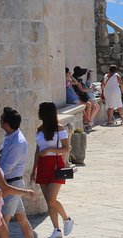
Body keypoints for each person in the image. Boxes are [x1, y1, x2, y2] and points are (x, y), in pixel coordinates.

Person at [32, 102, 73, 238]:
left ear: (46, 113)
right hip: (43, 165)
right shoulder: (39, 129)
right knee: (48, 201)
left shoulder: (59, 129)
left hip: (55, 164)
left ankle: (67, 219)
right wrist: (34, 170)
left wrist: (49, 149)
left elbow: (66, 148)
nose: (38, 112)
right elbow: (37, 151)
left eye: (40, 110)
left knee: (51, 200)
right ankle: (57, 230)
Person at [0, 107, 34, 238]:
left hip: (12, 185)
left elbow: (6, 168)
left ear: (6, 124)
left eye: (1, 119)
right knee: (21, 218)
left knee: (1, 223)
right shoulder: (9, 137)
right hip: (11, 184)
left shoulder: (18, 142)